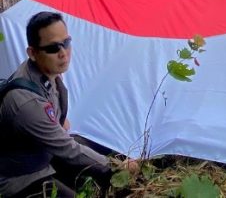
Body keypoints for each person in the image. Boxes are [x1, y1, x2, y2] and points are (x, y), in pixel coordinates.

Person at [0, 12, 136, 197]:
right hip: (22, 178)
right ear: (32, 53)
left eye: (66, 43)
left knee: (92, 143)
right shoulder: (26, 103)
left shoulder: (46, 71)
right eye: (53, 48)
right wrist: (115, 167)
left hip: (43, 154)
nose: (63, 53)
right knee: (84, 156)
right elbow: (67, 148)